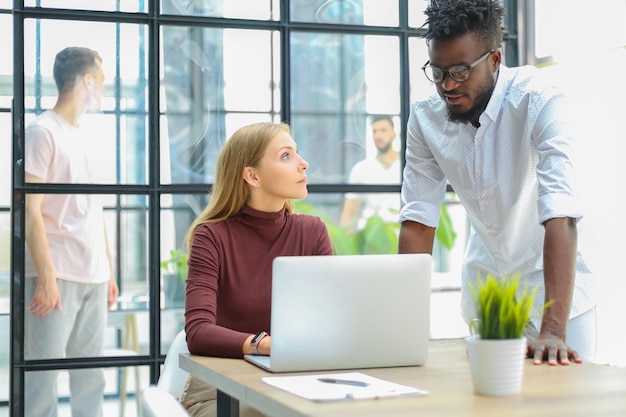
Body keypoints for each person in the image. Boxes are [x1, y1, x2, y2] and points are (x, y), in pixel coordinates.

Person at [399, 0, 595, 366]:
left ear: (494, 60)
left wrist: (553, 329)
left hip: (555, 295)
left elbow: (560, 212)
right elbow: (418, 219)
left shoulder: (540, 99)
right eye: (437, 70)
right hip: (487, 295)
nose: (447, 85)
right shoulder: (425, 117)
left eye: (460, 70)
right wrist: (400, 326)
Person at [181, 122, 334, 417]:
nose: (304, 164)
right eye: (286, 156)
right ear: (253, 176)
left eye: (297, 153)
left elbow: (331, 318)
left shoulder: (312, 231)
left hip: (295, 382)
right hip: (221, 387)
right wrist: (265, 345)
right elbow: (198, 332)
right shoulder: (211, 236)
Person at [23, 47, 119, 417]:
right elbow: (30, 212)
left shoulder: (87, 137)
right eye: (103, 80)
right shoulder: (43, 131)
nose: (104, 89)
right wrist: (46, 279)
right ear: (87, 81)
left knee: (90, 379)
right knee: (42, 379)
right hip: (57, 273)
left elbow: (94, 211)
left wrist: (107, 271)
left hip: (93, 276)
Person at [339, 115, 401, 231]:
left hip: (401, 239)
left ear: (394, 134)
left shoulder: (406, 166)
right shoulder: (361, 169)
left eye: (383, 130)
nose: (378, 136)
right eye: (375, 131)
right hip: (369, 240)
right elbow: (349, 213)